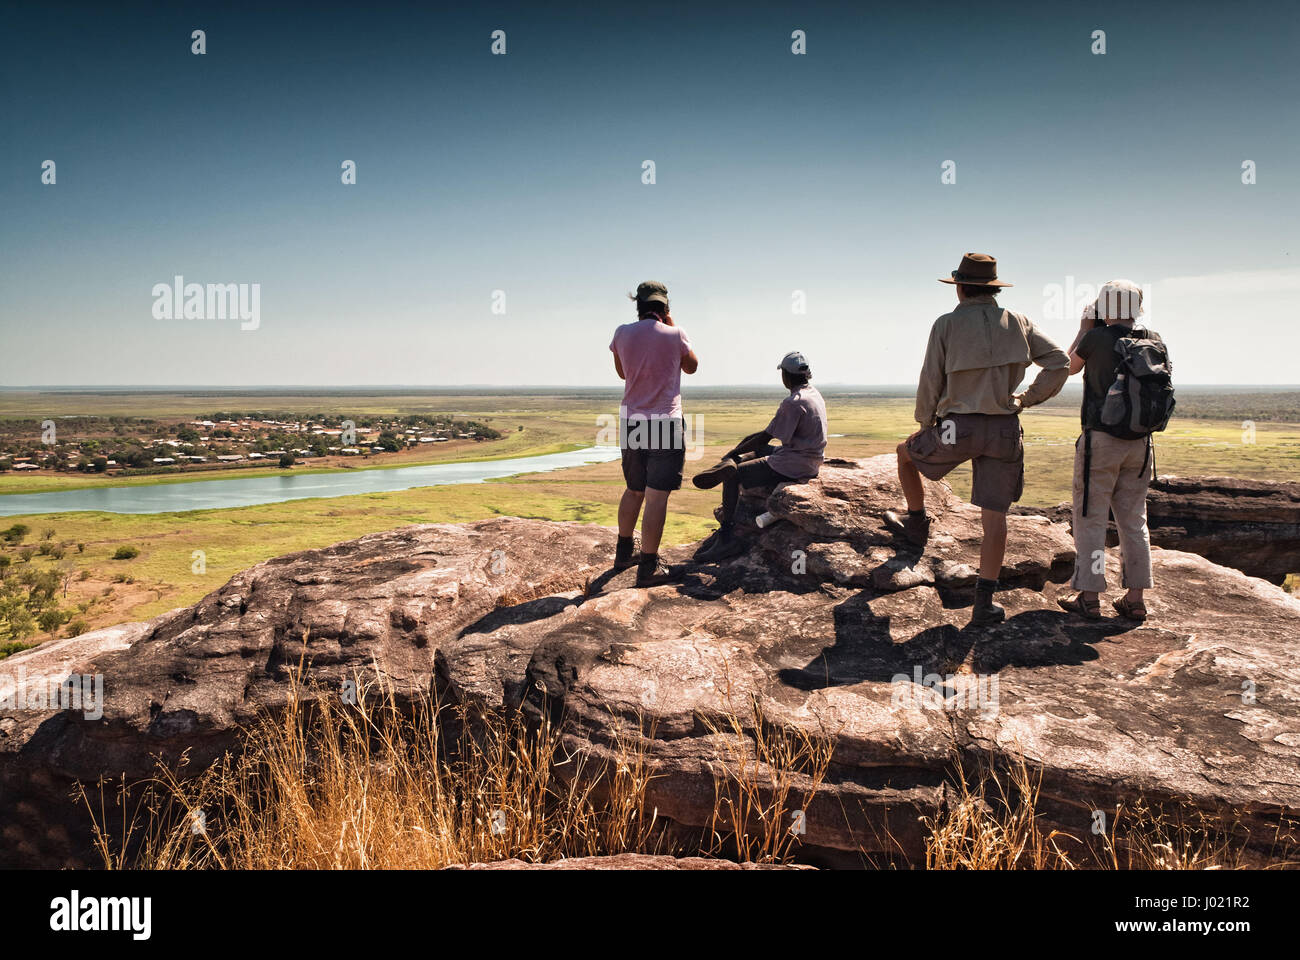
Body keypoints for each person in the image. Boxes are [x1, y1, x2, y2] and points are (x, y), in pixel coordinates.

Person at [885, 252, 1069, 626]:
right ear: (992, 289)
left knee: (905, 454)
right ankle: (984, 604)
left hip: (957, 428)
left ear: (961, 288)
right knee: (995, 516)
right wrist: (1026, 398)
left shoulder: (946, 324)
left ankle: (917, 522)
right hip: (1004, 428)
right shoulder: (1018, 321)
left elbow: (931, 379)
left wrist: (924, 424)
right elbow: (1060, 361)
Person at [1057, 280, 1169, 622]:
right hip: (1140, 443)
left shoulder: (1096, 338)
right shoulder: (1154, 339)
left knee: (1091, 516)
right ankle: (1135, 599)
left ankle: (1089, 596)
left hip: (1100, 441)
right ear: (1137, 308)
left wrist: (1082, 329)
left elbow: (1067, 367)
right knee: (1134, 520)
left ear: (1103, 307)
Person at [691, 351, 828, 562]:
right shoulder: (813, 394)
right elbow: (767, 435)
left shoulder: (793, 402)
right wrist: (739, 449)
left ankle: (727, 537)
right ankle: (728, 464)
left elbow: (764, 437)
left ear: (786, 375)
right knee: (755, 452)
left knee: (733, 476)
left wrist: (733, 453)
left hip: (794, 464)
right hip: (808, 459)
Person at [609, 281, 700, 586]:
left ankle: (623, 553)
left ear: (637, 305)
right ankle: (648, 568)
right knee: (656, 496)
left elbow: (623, 373)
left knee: (634, 489)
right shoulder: (676, 334)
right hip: (665, 422)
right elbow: (692, 367)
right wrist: (672, 323)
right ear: (665, 306)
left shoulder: (621, 333)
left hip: (632, 421)